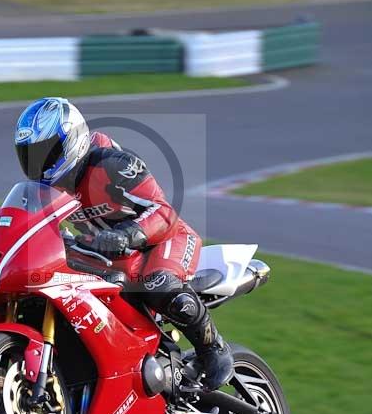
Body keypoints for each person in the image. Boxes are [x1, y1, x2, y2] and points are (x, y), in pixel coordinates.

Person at [14, 96, 233, 392]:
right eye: (30, 156)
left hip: (164, 240)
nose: (39, 164)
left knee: (158, 284)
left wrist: (128, 234)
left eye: (46, 152)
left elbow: (164, 211)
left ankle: (213, 349)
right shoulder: (46, 192)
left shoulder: (111, 165)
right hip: (111, 256)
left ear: (71, 141)